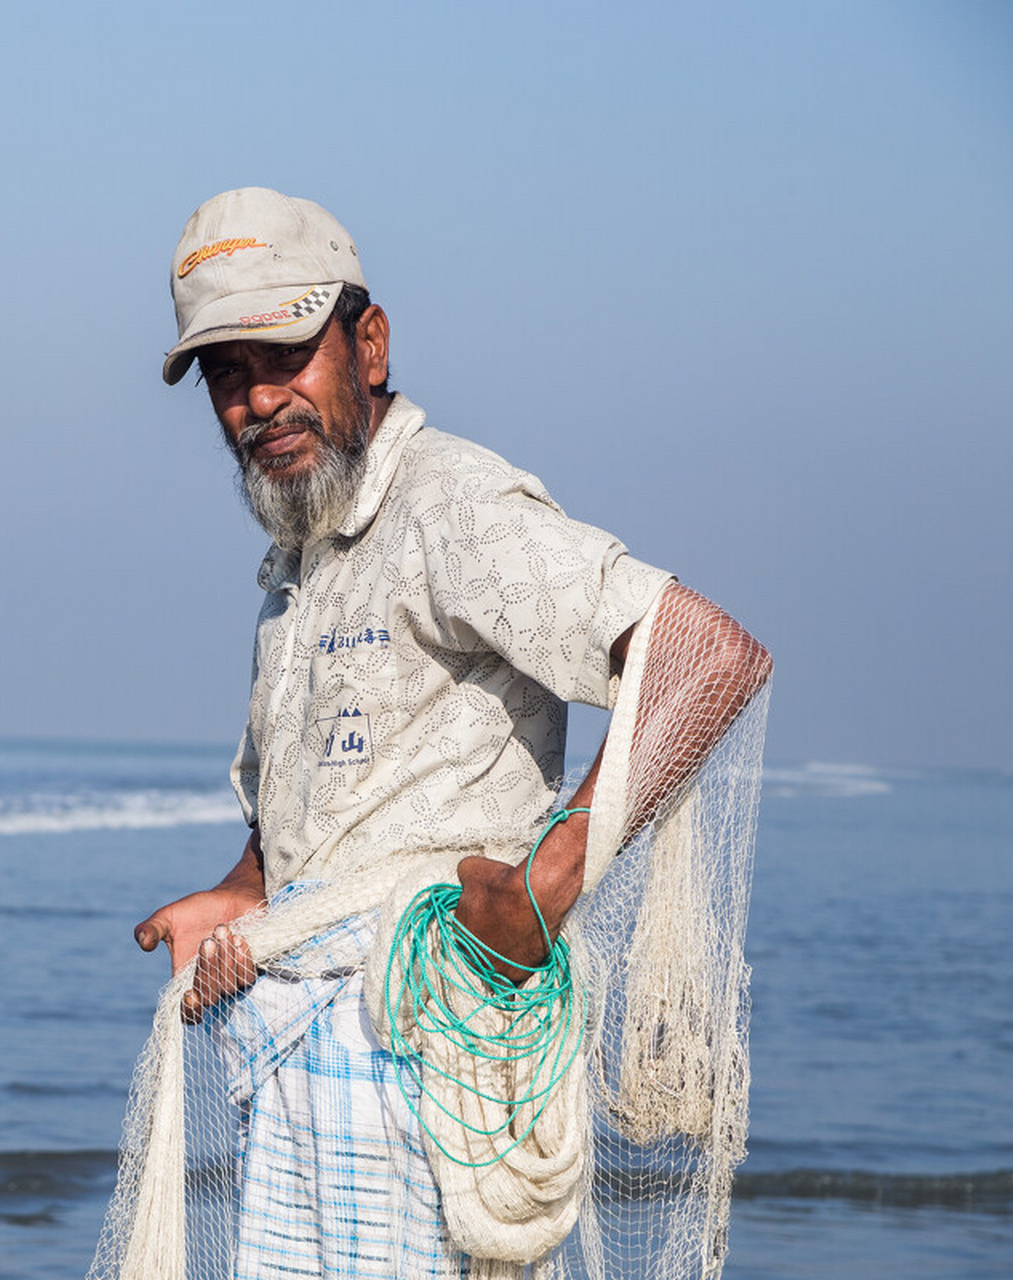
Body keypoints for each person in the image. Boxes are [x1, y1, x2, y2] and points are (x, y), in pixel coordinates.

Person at [129, 188, 772, 1275]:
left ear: (368, 345)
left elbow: (701, 654)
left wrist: (548, 878)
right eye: (227, 377)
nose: (259, 401)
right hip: (300, 1060)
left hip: (421, 1063)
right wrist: (246, 884)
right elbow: (333, 783)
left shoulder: (451, 509)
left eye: (285, 352)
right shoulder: (305, 545)